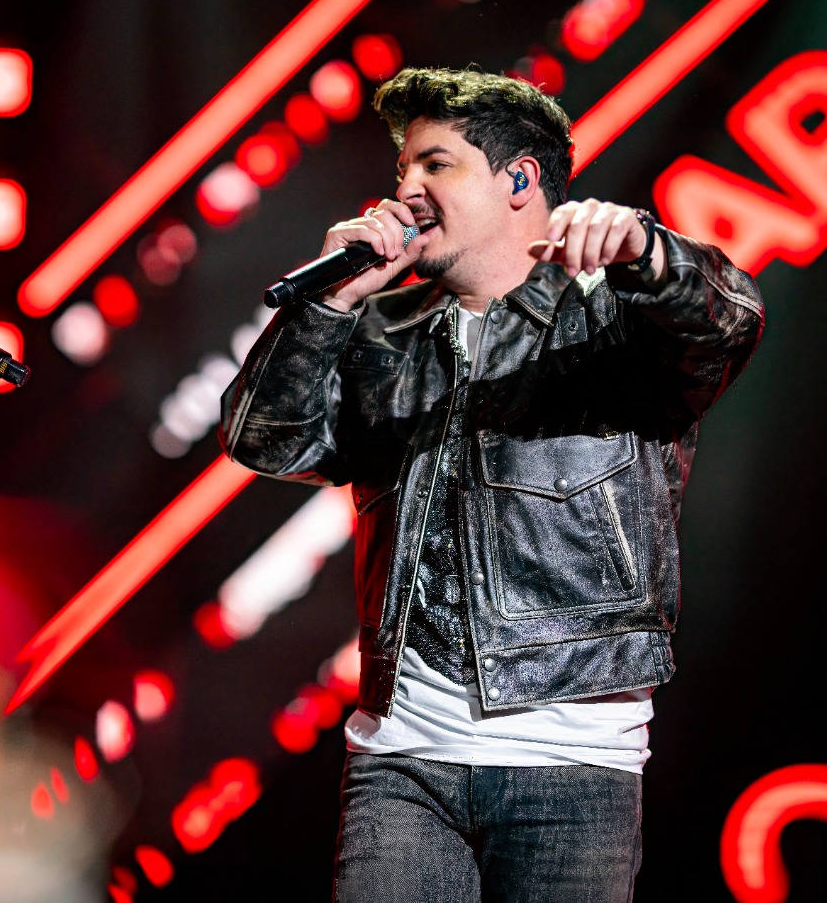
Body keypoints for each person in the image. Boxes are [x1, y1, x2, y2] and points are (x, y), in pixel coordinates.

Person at [219, 68, 764, 901]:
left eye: (435, 164)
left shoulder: (618, 319)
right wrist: (329, 304)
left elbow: (730, 321)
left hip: (572, 762)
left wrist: (649, 253)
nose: (406, 189)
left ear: (520, 179)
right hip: (401, 760)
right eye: (402, 168)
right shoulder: (382, 332)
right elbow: (263, 440)